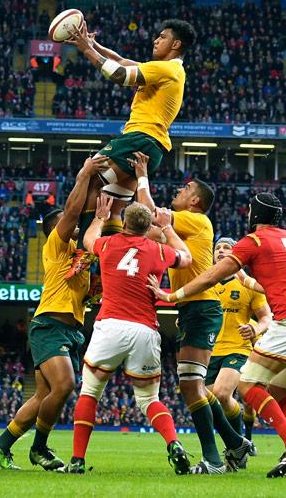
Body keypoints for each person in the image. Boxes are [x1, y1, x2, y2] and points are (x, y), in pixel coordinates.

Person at [149, 192, 286, 479]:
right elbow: (270, 283)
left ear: (254, 215)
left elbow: (210, 276)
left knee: (247, 386)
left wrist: (173, 295)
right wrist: (246, 279)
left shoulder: (254, 241)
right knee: (281, 391)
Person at [132, 153, 254, 473]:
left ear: (195, 200)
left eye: (185, 189)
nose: (179, 191)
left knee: (190, 385)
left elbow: (152, 213)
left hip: (202, 307)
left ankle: (214, 459)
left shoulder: (196, 220)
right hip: (192, 310)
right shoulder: (183, 229)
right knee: (193, 386)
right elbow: (150, 226)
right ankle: (235, 443)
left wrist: (142, 175)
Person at [0, 156, 108, 471]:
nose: (77, 225)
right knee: (64, 385)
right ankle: (38, 448)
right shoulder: (55, 245)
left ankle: (0, 445)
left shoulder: (82, 256)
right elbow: (72, 212)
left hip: (70, 329)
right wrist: (84, 176)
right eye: (71, 223)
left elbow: (86, 292)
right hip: (49, 325)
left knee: (43, 396)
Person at [59, 198, 193, 475]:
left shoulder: (108, 244)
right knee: (148, 400)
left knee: (90, 393)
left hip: (110, 325)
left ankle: (77, 460)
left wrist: (100, 216)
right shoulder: (158, 250)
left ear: (123, 223)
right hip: (144, 329)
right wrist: (167, 229)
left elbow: (88, 240)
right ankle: (174, 444)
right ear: (148, 227)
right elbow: (187, 257)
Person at [65, 18, 194, 251]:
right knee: (113, 206)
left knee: (90, 179)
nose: (156, 40)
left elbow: (119, 75)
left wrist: (85, 49)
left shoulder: (168, 68)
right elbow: (123, 61)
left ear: (175, 44)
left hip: (138, 138)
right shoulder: (170, 70)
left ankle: (85, 251)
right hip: (152, 148)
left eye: (162, 37)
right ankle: (103, 262)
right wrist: (96, 46)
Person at [204, 237, 272, 455]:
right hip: (208, 351)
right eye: (218, 248)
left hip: (238, 348)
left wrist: (256, 329)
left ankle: (239, 442)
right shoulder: (205, 282)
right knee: (204, 401)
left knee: (222, 394)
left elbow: (265, 318)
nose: (221, 251)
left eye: (227, 248)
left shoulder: (248, 285)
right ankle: (238, 446)